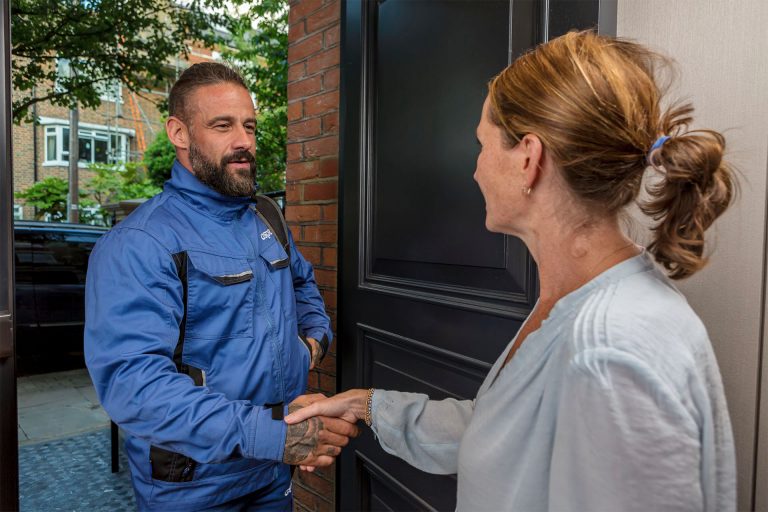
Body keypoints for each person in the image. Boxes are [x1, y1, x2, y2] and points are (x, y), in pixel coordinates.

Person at [286, 31, 737, 511]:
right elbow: (503, 433)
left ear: (528, 158)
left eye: (482, 145)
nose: (476, 169)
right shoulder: (571, 305)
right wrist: (365, 406)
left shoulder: (610, 353)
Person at [84, 62, 357, 511]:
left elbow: (303, 283)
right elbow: (134, 387)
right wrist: (273, 435)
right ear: (179, 133)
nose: (244, 142)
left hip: (271, 472)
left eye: (249, 126)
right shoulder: (141, 242)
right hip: (193, 485)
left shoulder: (265, 216)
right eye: (222, 125)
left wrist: (312, 343)